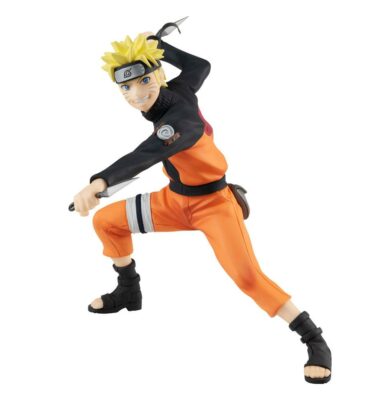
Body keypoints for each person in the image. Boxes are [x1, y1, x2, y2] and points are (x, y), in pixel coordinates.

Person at [72, 31, 332, 384]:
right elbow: (200, 66)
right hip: (173, 201)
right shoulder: (180, 90)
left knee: (247, 277)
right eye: (126, 87)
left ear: (158, 76)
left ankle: (314, 340)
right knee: (106, 222)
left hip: (213, 206)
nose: (136, 94)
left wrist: (100, 182)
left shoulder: (181, 120)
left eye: (144, 81)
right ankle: (128, 290)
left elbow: (146, 153)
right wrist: (159, 45)